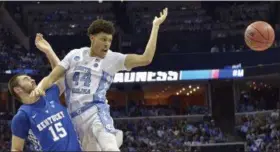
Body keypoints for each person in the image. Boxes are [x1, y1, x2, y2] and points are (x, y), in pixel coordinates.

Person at [31, 8, 168, 151]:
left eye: (109, 40)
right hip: (75, 119)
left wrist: (156, 26)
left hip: (96, 111)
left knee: (110, 148)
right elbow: (53, 76)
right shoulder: (75, 55)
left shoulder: (113, 58)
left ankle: (113, 138)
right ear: (92, 38)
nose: (107, 43)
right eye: (103, 39)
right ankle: (117, 137)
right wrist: (40, 87)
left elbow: (146, 59)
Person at [9, 34, 82, 151]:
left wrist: (49, 51)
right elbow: (16, 149)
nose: (32, 79)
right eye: (26, 79)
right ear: (18, 90)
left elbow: (60, 75)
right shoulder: (22, 116)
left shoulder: (50, 95)